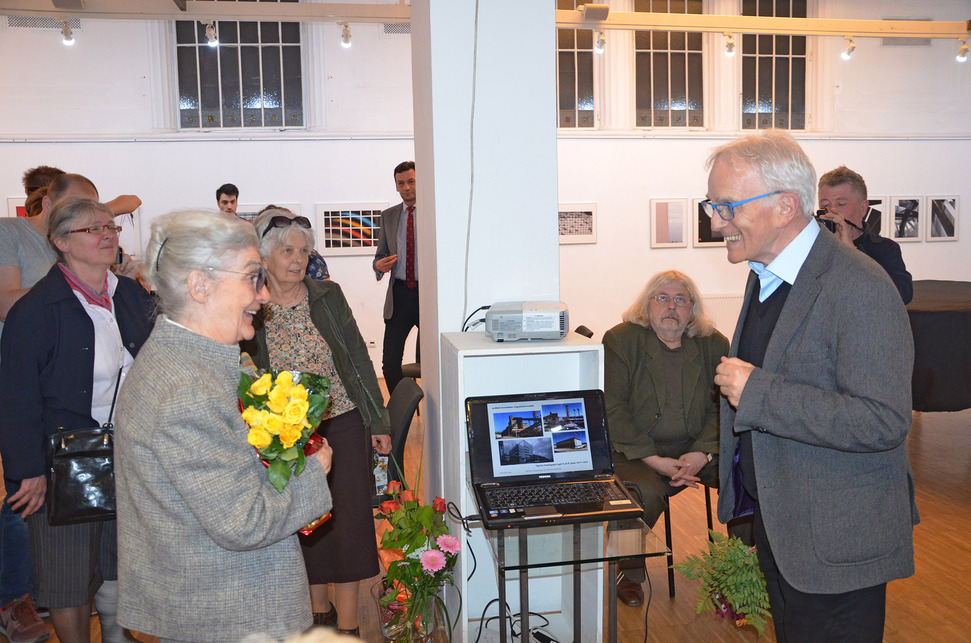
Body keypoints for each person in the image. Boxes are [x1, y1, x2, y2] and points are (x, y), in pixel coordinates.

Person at [706, 131, 917, 642]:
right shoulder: (765, 275)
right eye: (713, 206)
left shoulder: (859, 286)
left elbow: (882, 419)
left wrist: (757, 392)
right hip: (783, 529)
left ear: (785, 206)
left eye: (728, 206)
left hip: (837, 544)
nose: (716, 222)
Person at [114, 210, 333, 643]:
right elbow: (245, 522)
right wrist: (314, 469)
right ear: (200, 285)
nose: (265, 294)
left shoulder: (192, 364)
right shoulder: (186, 388)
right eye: (253, 277)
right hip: (228, 614)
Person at [0, 198, 154, 643]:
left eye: (111, 227)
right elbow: (16, 397)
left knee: (118, 562)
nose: (108, 234)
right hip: (62, 459)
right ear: (62, 242)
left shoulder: (128, 294)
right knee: (67, 573)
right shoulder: (35, 309)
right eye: (93, 229)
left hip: (127, 452)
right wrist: (27, 471)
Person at [241, 208, 391, 636]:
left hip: (341, 419)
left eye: (304, 251)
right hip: (283, 433)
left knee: (347, 519)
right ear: (264, 256)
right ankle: (315, 614)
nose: (298, 259)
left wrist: (378, 419)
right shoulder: (252, 303)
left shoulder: (327, 294)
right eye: (287, 250)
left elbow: (358, 357)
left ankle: (346, 624)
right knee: (302, 520)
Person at [603, 270, 729, 608]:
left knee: (748, 477)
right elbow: (613, 409)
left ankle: (742, 568)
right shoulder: (621, 340)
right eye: (662, 298)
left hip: (695, 450)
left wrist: (703, 453)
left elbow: (723, 408)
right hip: (637, 451)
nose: (671, 306)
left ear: (692, 309)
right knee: (639, 492)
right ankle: (627, 572)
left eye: (680, 300)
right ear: (647, 305)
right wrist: (654, 459)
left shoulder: (713, 344)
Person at [817, 166, 913, 303]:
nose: (832, 211)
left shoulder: (886, 249)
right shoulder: (814, 249)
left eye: (841, 204)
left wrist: (851, 254)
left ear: (863, 208)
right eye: (825, 205)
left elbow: (902, 294)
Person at [373, 160, 419, 395]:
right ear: (396, 186)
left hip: (428, 296)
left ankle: (433, 414)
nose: (407, 188)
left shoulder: (434, 213)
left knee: (430, 364)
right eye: (401, 183)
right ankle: (402, 408)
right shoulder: (389, 216)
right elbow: (379, 256)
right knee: (389, 365)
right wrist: (379, 265)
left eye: (411, 181)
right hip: (399, 295)